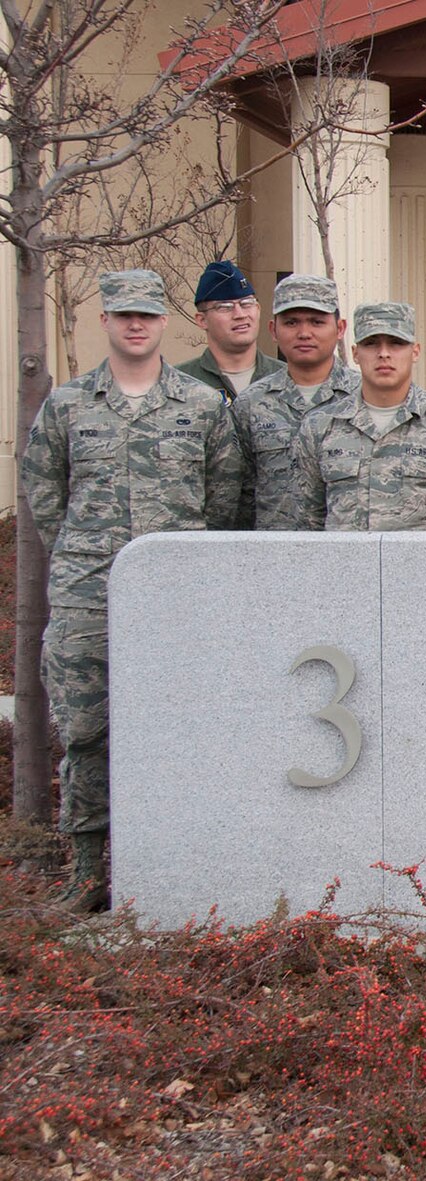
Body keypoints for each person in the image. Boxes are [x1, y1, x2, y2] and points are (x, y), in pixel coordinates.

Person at [22, 269, 244, 911]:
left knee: (187, 727)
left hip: (179, 601)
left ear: (164, 323)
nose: (137, 326)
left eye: (148, 315)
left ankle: (183, 866)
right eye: (125, 317)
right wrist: (90, 556)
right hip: (87, 597)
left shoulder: (201, 407)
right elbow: (46, 498)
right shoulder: (67, 406)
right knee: (87, 732)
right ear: (107, 323)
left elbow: (223, 499)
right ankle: (89, 874)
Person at [293, 302, 426, 532]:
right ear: (355, 353)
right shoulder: (319, 427)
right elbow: (308, 522)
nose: (384, 354)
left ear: (415, 351)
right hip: (346, 566)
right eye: (371, 344)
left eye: (396, 343)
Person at [230, 274, 360, 528]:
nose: (304, 333)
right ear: (273, 330)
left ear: (340, 328)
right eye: (291, 322)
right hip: (273, 556)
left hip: (344, 554)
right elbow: (237, 495)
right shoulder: (251, 404)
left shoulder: (364, 397)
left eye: (317, 322)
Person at [175, 260, 282, 398]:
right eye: (225, 307)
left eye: (246, 304)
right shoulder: (178, 383)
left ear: (258, 310)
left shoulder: (287, 378)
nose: (240, 315)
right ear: (202, 320)